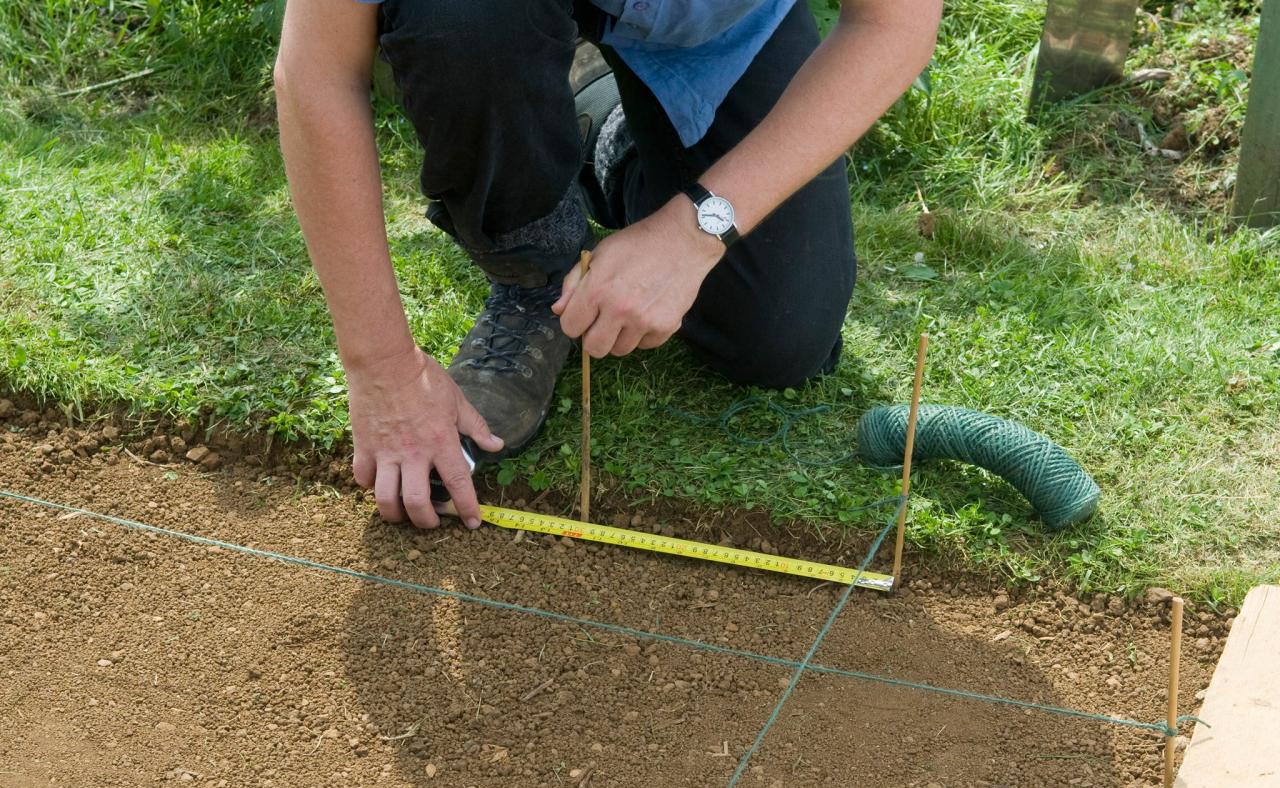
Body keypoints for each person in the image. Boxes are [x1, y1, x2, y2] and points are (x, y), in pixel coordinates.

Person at [274, 0, 941, 530]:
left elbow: (895, 23)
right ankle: (534, 269)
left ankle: (605, 126)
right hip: (490, 19)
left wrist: (693, 232)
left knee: (778, 333)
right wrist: (382, 368)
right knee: (464, 21)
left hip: (717, 30)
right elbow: (318, 70)